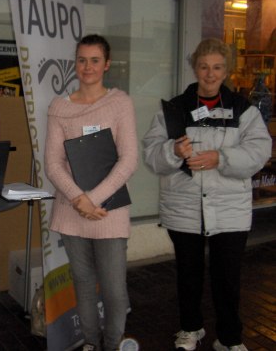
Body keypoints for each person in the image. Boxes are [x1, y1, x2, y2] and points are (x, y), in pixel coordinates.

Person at [142, 38, 271, 351]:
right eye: (204, 67)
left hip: (229, 210)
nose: (210, 74)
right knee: (189, 276)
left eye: (217, 67)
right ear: (195, 68)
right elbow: (151, 154)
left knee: (227, 279)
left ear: (226, 71)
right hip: (183, 207)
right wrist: (172, 150)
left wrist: (221, 159)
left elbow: (259, 150)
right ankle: (190, 328)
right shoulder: (174, 110)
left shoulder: (244, 110)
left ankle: (228, 339)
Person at [44, 34, 138, 351]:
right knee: (83, 284)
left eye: (95, 60)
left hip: (108, 210)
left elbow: (129, 159)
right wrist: (79, 199)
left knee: (113, 289)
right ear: (75, 63)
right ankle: (90, 344)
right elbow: (53, 164)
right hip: (72, 209)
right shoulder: (59, 108)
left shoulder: (119, 103)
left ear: (107, 65)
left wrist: (92, 199)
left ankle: (112, 345)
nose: (88, 67)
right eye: (82, 59)